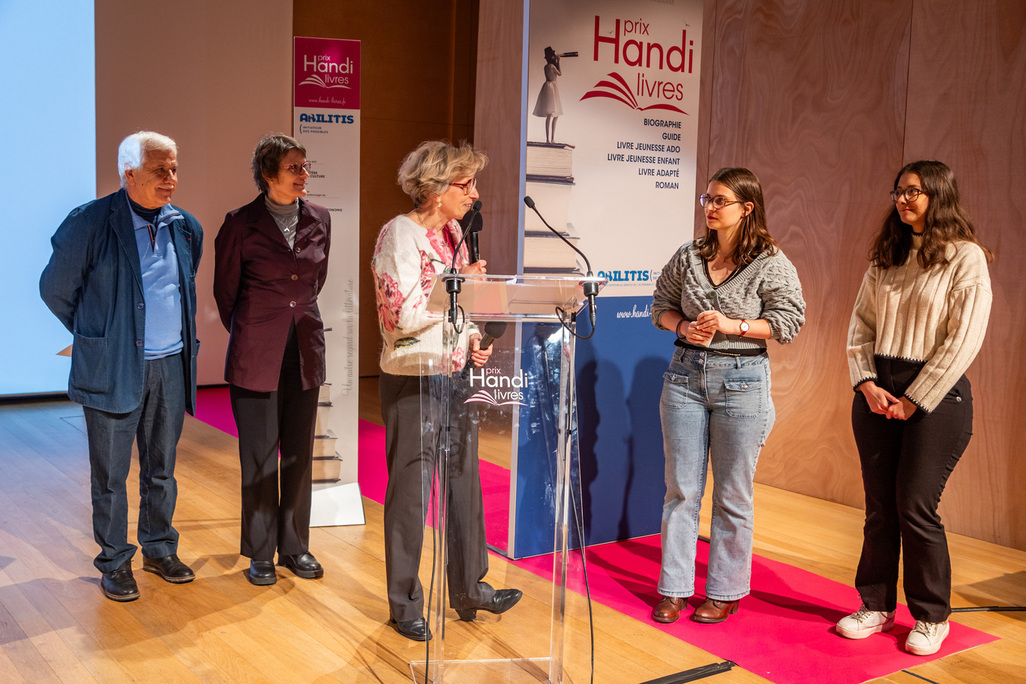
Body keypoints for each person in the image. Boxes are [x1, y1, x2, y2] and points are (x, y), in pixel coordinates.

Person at [836, 160, 992, 656]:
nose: (903, 199)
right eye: (899, 191)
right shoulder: (887, 254)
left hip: (936, 399)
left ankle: (930, 616)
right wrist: (865, 382)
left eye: (914, 191)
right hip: (877, 393)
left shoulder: (965, 257)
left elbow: (963, 339)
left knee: (915, 507)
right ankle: (875, 606)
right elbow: (860, 326)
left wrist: (914, 399)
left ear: (938, 195)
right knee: (880, 508)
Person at [40, 131, 203, 601]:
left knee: (162, 468)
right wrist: (99, 334)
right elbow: (55, 289)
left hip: (170, 365)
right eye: (159, 170)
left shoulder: (185, 226)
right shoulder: (90, 223)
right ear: (129, 174)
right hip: (112, 367)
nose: (170, 178)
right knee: (111, 476)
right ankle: (114, 561)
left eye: (174, 168)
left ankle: (159, 548)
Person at [371, 140, 522, 641]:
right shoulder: (399, 235)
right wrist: (457, 284)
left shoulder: (454, 233)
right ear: (436, 188)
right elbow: (400, 316)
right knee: (412, 496)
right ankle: (405, 603)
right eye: (467, 184)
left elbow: (460, 307)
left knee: (464, 485)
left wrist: (474, 337)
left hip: (454, 375)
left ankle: (470, 588)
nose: (474, 194)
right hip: (414, 378)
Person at [649, 167, 805, 624]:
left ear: (746, 208)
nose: (711, 208)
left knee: (733, 493)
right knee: (681, 489)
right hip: (684, 375)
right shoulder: (689, 255)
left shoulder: (770, 261)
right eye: (707, 199)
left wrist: (733, 325)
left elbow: (789, 322)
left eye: (721, 201)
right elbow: (660, 307)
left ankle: (724, 590)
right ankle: (674, 588)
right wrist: (683, 327)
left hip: (742, 379)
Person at [213, 134, 331, 586]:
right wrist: (255, 329)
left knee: (299, 453)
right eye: (293, 167)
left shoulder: (320, 218)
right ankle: (261, 552)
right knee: (259, 457)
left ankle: (295, 547)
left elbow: (315, 280)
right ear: (268, 175)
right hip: (255, 352)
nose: (303, 174)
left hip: (304, 348)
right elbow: (226, 293)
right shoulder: (240, 223)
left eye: (305, 165)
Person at [532, 46, 563, 144]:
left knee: (550, 114)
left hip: (548, 87)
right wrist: (558, 61)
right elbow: (560, 73)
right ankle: (551, 138)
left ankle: (548, 139)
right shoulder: (552, 66)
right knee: (553, 114)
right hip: (552, 88)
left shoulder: (546, 66)